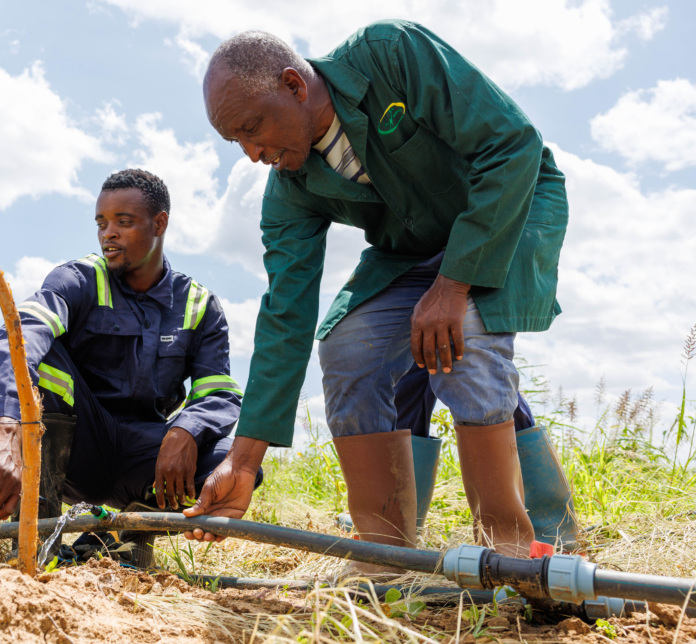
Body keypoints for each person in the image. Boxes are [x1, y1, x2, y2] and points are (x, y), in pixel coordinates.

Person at [185, 21, 577, 573]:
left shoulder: (391, 55)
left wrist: (452, 285)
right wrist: (242, 462)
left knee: (463, 335)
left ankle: (513, 550)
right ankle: (384, 553)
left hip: (507, 206)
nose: (253, 153)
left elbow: (511, 146)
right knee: (346, 346)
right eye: (238, 142)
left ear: (295, 86)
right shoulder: (290, 189)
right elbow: (285, 318)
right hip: (412, 251)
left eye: (253, 128)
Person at [0, 169, 251, 563]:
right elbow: (19, 336)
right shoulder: (78, 279)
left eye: (124, 222)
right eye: (102, 223)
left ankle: (128, 534)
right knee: (40, 352)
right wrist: (6, 426)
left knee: (236, 462)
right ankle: (37, 539)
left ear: (160, 223)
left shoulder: (199, 305)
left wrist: (186, 431)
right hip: (75, 452)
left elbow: (219, 392)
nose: (109, 234)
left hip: (146, 458)